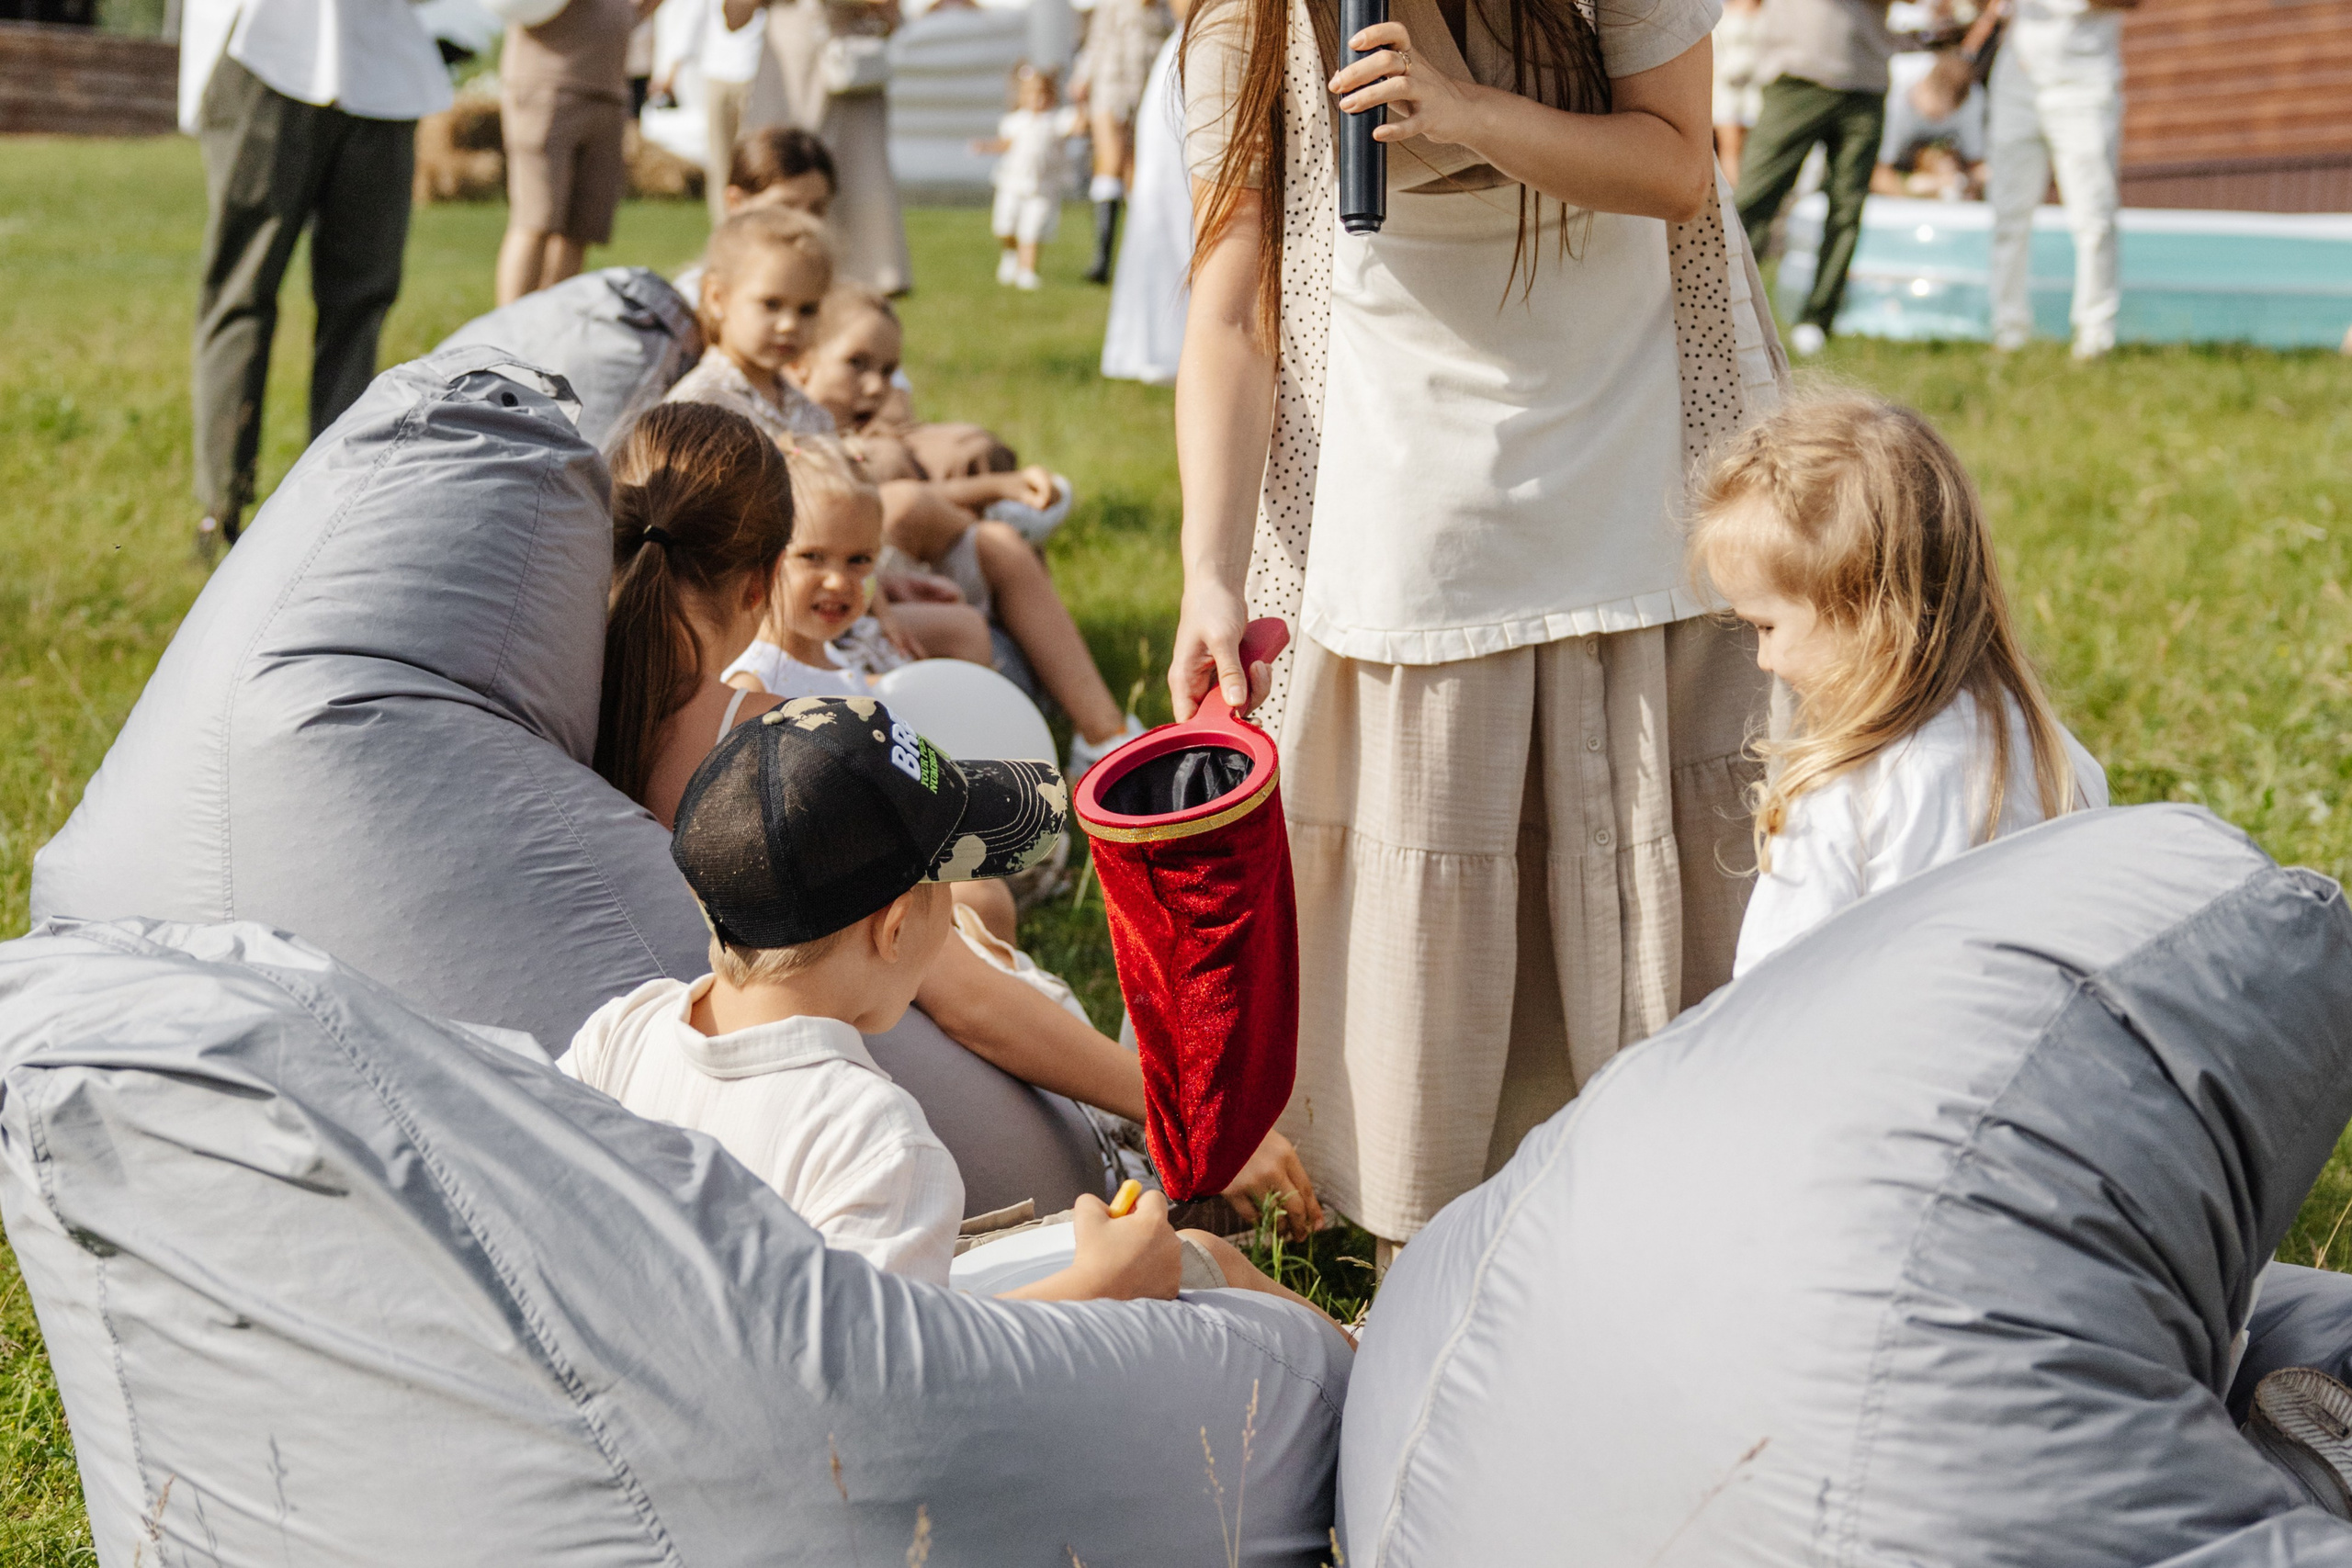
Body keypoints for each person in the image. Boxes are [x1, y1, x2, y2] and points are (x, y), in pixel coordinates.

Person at [1175, 0, 1788, 1258]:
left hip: (1635, 432)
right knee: (1437, 844)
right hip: (1409, 460)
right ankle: (1433, 1236)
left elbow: (1677, 162)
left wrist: (1472, 116)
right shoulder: (1245, 20)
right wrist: (1209, 572)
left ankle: (1672, 1194)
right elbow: (1233, 302)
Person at [594, 401, 1330, 1235]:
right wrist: (1185, 1116)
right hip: (881, 1061)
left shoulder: (594, 698)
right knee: (993, 916)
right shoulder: (773, 743)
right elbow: (966, 997)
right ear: (763, 580)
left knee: (984, 904)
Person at [1687, 394, 2108, 976]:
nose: (1763, 660)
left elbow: (1774, 994)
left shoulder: (1840, 797)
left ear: (1870, 619)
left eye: (1766, 626)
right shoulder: (2056, 756)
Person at [788, 287, 1147, 780]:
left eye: (889, 372)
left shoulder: (842, 435)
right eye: (857, 364)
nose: (876, 386)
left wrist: (883, 595)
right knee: (925, 517)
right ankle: (1004, 777)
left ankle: (1093, 742)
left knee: (987, 566)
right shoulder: (791, 440)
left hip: (875, 589)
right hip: (826, 616)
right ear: (801, 363)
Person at [178, 0, 451, 556]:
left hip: (381, 65)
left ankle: (341, 504)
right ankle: (222, 506)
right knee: (243, 290)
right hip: (266, 50)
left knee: (362, 298)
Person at [1733, 0, 1905, 356]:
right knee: (1752, 201)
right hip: (1796, 74)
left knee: (1847, 211)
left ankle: (1817, 320)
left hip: (1866, 82)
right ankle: (1724, 305)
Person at [727, 0, 916, 295]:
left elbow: (891, 16)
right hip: (787, 72)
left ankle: (853, 296)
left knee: (856, 185)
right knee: (775, 172)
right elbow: (733, 17)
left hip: (849, 75)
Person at [1987, 0, 2135, 358]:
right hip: (2016, 84)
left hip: (2083, 85)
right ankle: (2008, 333)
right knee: (2007, 216)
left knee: (2093, 218)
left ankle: (2095, 337)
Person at [496, 0, 663, 306]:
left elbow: (633, 12)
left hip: (609, 91)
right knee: (535, 220)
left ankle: (554, 324)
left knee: (581, 227)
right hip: (547, 87)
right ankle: (505, 335)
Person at [666, 207, 839, 443]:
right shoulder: (701, 403)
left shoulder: (812, 413)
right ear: (717, 297)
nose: (789, 325)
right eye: (771, 304)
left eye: (807, 310)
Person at [1099, 0, 1193, 384]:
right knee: (1164, 213)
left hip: (1189, 53)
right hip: (1185, 56)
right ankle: (1163, 341)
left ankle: (1172, 340)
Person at [1070, 0, 1171, 282]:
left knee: (1136, 172)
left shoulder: (1162, 10)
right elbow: (1097, 41)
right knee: (1110, 161)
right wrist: (1083, 80)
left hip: (1147, 92)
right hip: (1111, 85)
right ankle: (1101, 259)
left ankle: (1140, 257)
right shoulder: (1114, 5)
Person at [974, 63, 1085, 291]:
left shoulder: (1055, 121)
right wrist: (986, 147)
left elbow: (1078, 126)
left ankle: (1027, 270)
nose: (1038, 100)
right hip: (1013, 183)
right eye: (1032, 94)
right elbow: (1006, 144)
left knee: (1032, 229)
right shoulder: (1015, 121)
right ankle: (1010, 254)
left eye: (1043, 94)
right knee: (1005, 224)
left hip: (1043, 186)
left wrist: (1082, 100)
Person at [659, 0, 771, 223]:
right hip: (718, 74)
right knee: (719, 160)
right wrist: (673, 68)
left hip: (758, 73)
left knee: (756, 160)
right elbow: (695, 17)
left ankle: (757, 227)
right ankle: (724, 228)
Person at [1871, 48, 1987, 198]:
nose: (1940, 120)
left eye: (1947, 115)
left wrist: (1963, 184)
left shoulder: (1973, 98)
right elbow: (1877, 173)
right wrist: (1916, 189)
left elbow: (1978, 165)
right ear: (1924, 86)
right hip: (1904, 172)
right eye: (1935, 114)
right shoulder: (1893, 93)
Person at [1712, 0, 1767, 183]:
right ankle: (1733, 198)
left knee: (1754, 148)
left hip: (1755, 89)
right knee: (1730, 148)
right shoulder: (1723, 12)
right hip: (1726, 89)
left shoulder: (1767, 11)